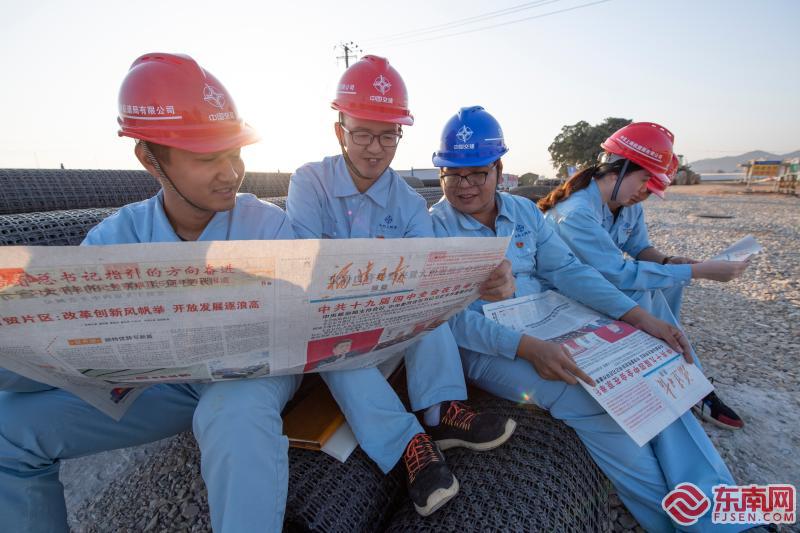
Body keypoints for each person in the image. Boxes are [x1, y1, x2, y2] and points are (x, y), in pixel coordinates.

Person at [0, 53, 300, 532]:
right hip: (164, 385)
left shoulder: (269, 226)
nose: (230, 172)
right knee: (7, 426)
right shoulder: (115, 240)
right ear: (148, 157)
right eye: (207, 157)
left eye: (235, 152)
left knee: (234, 413)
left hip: (247, 373)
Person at [429, 106, 746, 532]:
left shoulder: (523, 214)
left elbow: (568, 272)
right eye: (454, 175)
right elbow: (447, 320)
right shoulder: (431, 231)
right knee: (594, 400)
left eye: (478, 174)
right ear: (442, 174)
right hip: (491, 345)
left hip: (552, 322)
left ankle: (723, 511)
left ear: (499, 169)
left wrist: (639, 319)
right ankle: (686, 525)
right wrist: (527, 348)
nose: (465, 186)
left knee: (659, 369)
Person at [286, 56, 516, 516]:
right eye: (363, 134)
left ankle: (441, 411)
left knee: (431, 307)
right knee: (335, 339)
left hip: (389, 331)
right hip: (329, 338)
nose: (375, 149)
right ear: (339, 131)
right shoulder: (309, 183)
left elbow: (429, 274)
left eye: (388, 135)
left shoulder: (408, 202)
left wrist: (482, 281)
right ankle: (409, 443)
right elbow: (301, 272)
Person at [539, 122, 748, 430]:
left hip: (599, 286)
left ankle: (670, 362)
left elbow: (639, 248)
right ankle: (685, 379)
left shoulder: (627, 204)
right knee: (641, 291)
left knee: (668, 279)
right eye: (646, 180)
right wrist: (697, 270)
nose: (646, 191)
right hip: (560, 296)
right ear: (618, 168)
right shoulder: (576, 213)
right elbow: (620, 275)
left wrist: (671, 261)